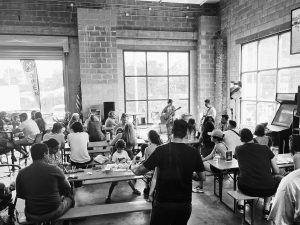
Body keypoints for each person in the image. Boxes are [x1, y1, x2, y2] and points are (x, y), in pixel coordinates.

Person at [131, 119, 206, 225]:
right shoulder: (194, 152)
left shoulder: (160, 150)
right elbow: (202, 177)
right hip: (184, 204)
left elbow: (139, 171)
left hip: (163, 203)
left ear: (172, 131)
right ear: (186, 133)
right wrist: (189, 173)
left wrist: (132, 166)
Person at [16, 143, 74, 223]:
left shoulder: (21, 173)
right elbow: (68, 187)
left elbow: (20, 194)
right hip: (53, 212)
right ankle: (70, 222)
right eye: (47, 153)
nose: (48, 155)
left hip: (31, 214)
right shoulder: (54, 169)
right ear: (44, 154)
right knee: (70, 197)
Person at [235, 128, 282, 219]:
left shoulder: (238, 149)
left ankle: (241, 205)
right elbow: (276, 171)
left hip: (246, 189)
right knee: (272, 178)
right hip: (267, 190)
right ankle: (266, 208)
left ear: (241, 139)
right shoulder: (265, 148)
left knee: (239, 176)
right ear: (252, 136)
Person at [144, 130, 163, 198]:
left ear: (149, 138)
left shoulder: (147, 149)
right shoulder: (162, 146)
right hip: (161, 169)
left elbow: (147, 163)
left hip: (152, 170)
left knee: (144, 173)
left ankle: (147, 188)